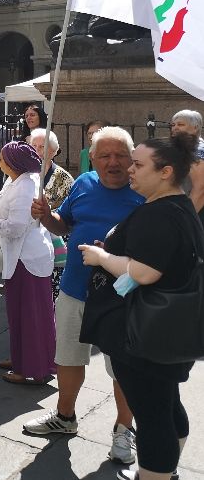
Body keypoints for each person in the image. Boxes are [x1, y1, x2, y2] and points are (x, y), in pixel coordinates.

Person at [80, 133, 202, 480]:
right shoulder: (178, 206)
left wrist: (102, 257)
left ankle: (156, 473)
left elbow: (145, 272)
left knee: (152, 416)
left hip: (143, 335)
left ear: (165, 172)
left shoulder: (159, 213)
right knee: (165, 404)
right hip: (165, 332)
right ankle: (166, 471)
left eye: (138, 164)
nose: (130, 170)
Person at [23, 126, 145, 466]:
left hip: (122, 298)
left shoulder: (144, 191)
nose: (113, 162)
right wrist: (46, 215)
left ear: (132, 158)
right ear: (92, 158)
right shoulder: (84, 183)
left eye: (120, 155)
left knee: (123, 368)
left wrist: (116, 255)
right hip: (75, 289)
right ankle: (65, 416)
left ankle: (124, 430)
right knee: (68, 357)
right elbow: (64, 224)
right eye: (104, 155)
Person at [0, 141, 55, 385]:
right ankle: (22, 358)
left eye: (1, 158)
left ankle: (33, 368)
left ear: (12, 163)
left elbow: (16, 226)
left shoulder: (25, 186)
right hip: (20, 257)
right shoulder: (17, 181)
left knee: (30, 314)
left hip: (27, 258)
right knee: (19, 313)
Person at [28, 127, 75, 300]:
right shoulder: (25, 174)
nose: (37, 150)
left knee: (50, 291)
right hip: (29, 240)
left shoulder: (63, 178)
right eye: (34, 146)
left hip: (53, 240)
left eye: (42, 147)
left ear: (53, 151)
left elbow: (68, 214)